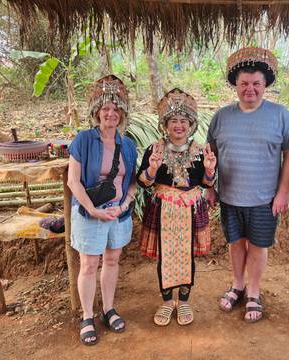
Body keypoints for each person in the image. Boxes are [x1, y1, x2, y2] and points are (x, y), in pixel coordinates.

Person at [206, 47, 289, 322]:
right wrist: (210, 187)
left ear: (265, 84)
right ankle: (237, 284)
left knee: (258, 246)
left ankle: (254, 291)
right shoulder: (221, 117)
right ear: (235, 84)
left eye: (256, 83)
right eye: (244, 83)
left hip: (264, 198)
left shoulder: (280, 115)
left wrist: (283, 192)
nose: (250, 89)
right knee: (236, 243)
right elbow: (209, 157)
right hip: (230, 197)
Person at [67, 75, 137, 345]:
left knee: (112, 260)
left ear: (122, 113)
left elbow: (131, 181)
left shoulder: (128, 145)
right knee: (88, 264)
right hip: (89, 214)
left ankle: (108, 309)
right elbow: (73, 181)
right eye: (106, 108)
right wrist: (93, 210)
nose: (111, 113)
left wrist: (124, 205)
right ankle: (87, 316)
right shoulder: (84, 140)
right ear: (97, 111)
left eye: (116, 109)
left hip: (118, 214)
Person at [137, 88, 216, 326]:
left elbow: (205, 183)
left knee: (187, 255)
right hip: (163, 210)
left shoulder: (201, 151)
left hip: (190, 209)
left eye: (183, 121)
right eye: (173, 120)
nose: (179, 125)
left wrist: (210, 170)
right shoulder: (155, 149)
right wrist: (152, 168)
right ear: (165, 123)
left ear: (191, 124)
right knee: (165, 256)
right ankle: (165, 301)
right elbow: (143, 182)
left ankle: (183, 301)